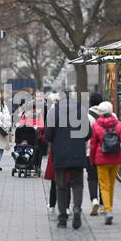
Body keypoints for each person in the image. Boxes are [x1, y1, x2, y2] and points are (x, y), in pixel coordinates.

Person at [44, 93, 91, 229]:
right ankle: (76, 207)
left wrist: (58, 140)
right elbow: (89, 133)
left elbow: (48, 135)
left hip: (60, 153)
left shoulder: (54, 112)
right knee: (77, 183)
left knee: (61, 186)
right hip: (78, 152)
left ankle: (62, 217)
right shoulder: (81, 112)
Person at [90, 102, 121, 225]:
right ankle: (110, 208)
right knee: (111, 185)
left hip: (101, 159)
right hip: (116, 158)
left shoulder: (96, 126)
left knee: (104, 185)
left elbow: (93, 145)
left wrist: (92, 160)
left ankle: (108, 210)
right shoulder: (118, 125)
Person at [86, 92, 104, 216]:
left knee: (92, 177)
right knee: (104, 178)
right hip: (107, 152)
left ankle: (94, 199)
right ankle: (104, 202)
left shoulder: (86, 117)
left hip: (90, 152)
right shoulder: (110, 115)